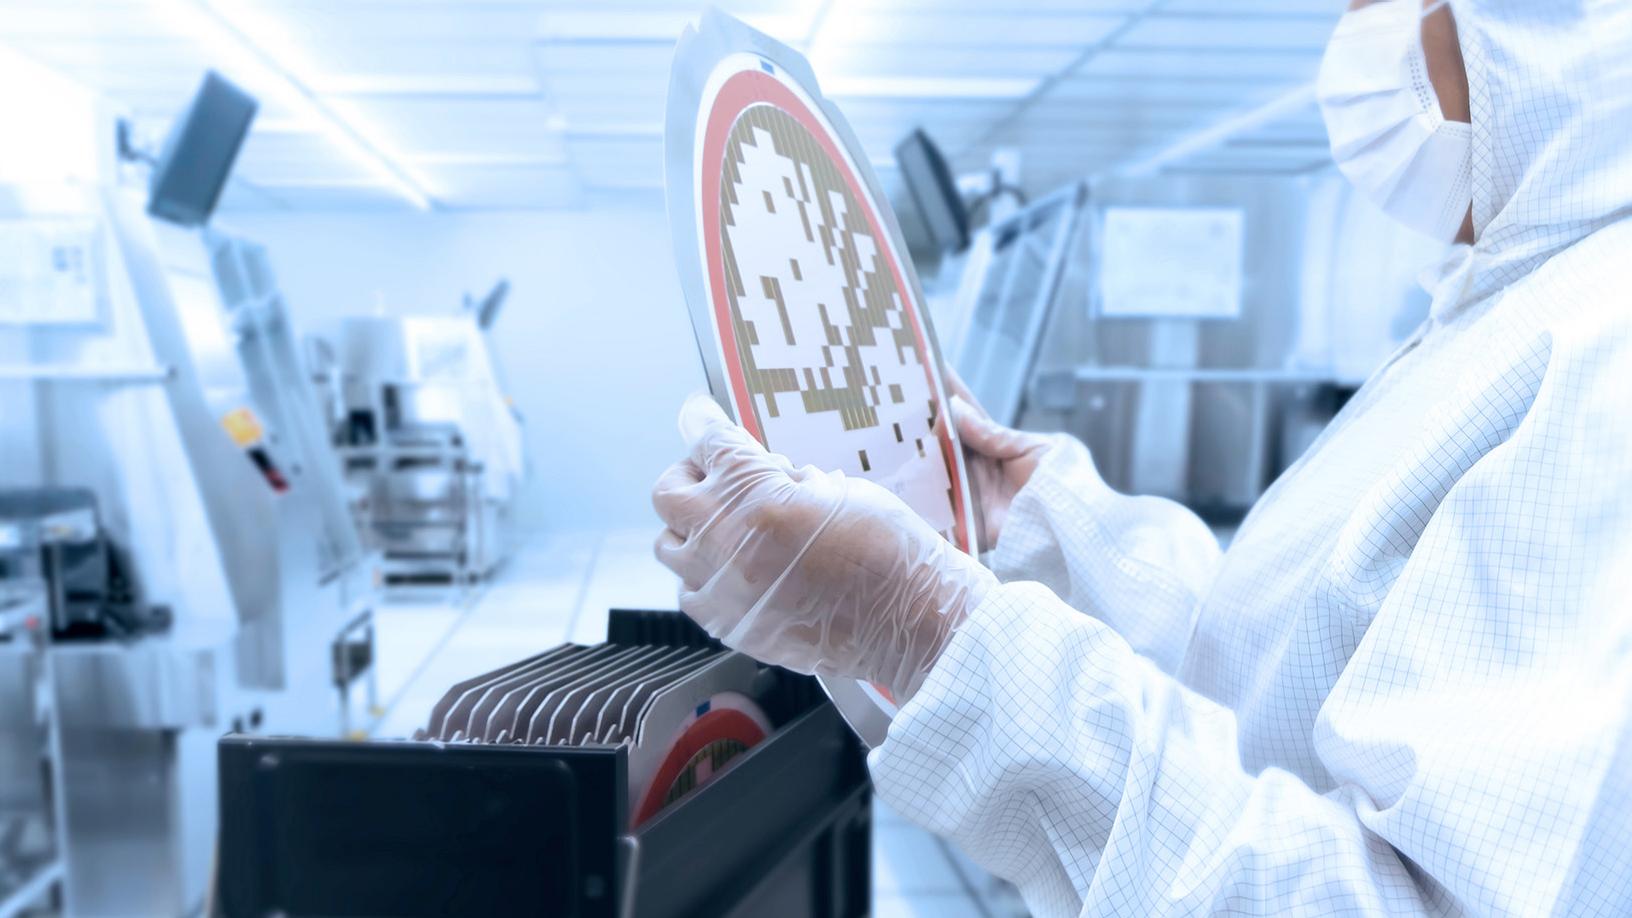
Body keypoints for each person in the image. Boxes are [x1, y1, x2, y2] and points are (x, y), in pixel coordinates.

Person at [652, 0, 1632, 913]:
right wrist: (1050, 530)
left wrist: (935, 632)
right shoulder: (1505, 304)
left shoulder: (1603, 353)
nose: (1357, 31)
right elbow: (1284, 681)